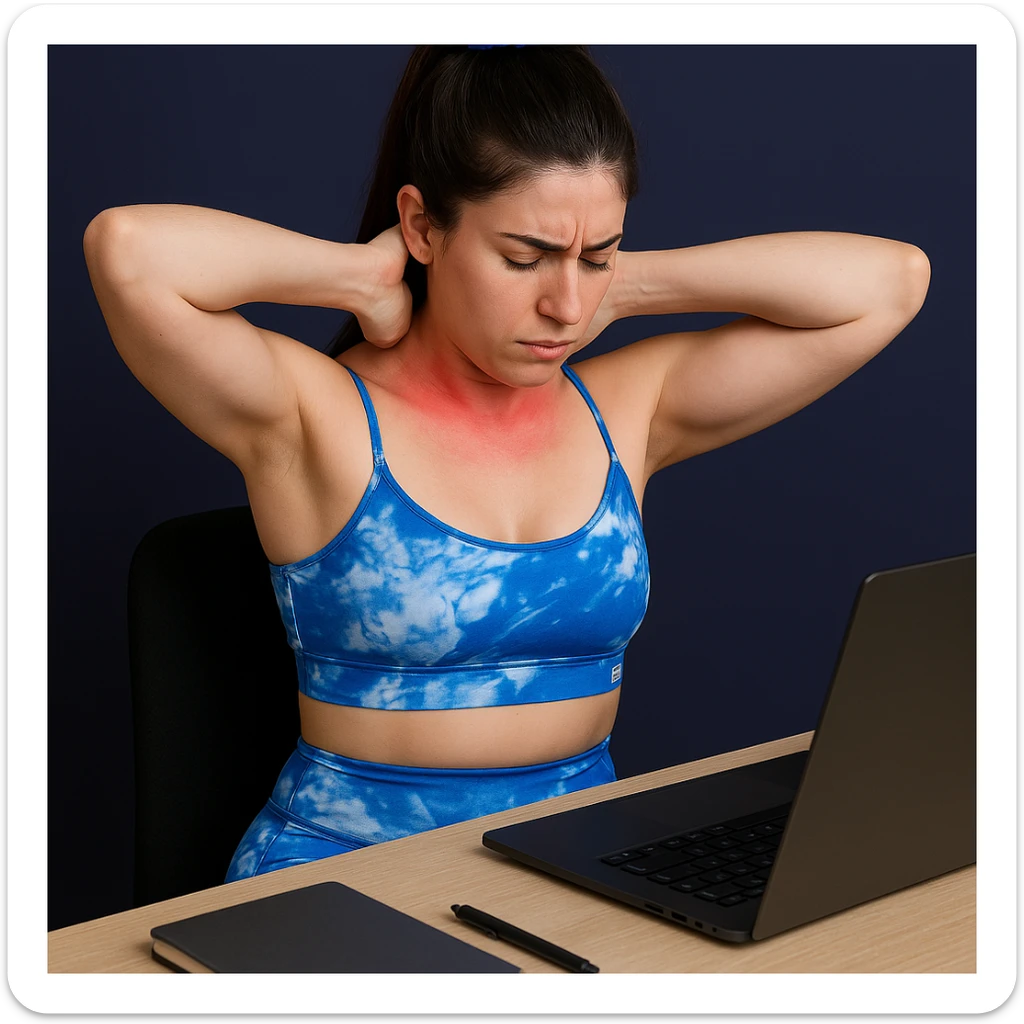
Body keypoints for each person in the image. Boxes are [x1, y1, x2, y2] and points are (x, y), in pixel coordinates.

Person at [82, 45, 931, 882]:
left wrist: (630, 284)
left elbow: (890, 282)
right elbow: (130, 251)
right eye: (523, 258)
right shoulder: (317, 416)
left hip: (572, 875)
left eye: (595, 256)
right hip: (342, 885)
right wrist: (360, 277)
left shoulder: (625, 409)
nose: (564, 305)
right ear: (422, 225)